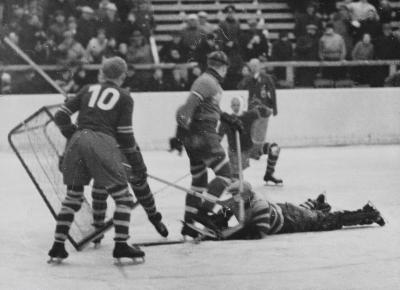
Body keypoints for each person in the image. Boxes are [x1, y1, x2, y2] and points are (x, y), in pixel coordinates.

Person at [48, 57, 145, 262]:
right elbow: (126, 136)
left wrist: (74, 135)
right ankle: (121, 245)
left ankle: (57, 246)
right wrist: (137, 164)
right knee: (123, 198)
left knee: (73, 198)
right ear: (123, 75)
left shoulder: (86, 89)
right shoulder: (125, 97)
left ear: (102, 72)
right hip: (102, 143)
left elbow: (60, 117)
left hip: (76, 142)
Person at [175, 51, 243, 238]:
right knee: (226, 174)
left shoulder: (208, 82)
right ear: (223, 67)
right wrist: (179, 132)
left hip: (195, 138)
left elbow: (208, 106)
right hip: (204, 136)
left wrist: (226, 117)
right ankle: (204, 212)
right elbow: (188, 107)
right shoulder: (206, 82)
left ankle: (189, 223)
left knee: (199, 181)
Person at [191, 181, 386, 240]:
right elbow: (222, 217)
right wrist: (213, 226)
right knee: (313, 212)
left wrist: (225, 235)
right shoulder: (236, 202)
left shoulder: (258, 206)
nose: (232, 199)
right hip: (284, 210)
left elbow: (258, 232)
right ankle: (318, 202)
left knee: (331, 220)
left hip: (294, 220)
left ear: (246, 195)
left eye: (236, 195)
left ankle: (368, 213)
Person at [218, 98, 282, 184]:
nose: (236, 107)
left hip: (251, 149)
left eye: (238, 105)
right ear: (231, 106)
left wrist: (259, 107)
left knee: (274, 149)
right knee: (237, 182)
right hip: (236, 153)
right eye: (233, 105)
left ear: (242, 105)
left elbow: (268, 112)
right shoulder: (226, 121)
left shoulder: (249, 115)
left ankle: (269, 174)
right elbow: (218, 137)